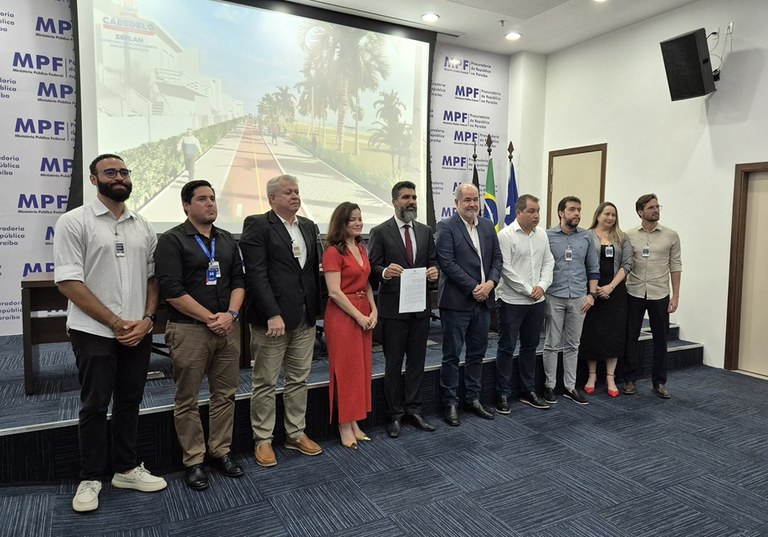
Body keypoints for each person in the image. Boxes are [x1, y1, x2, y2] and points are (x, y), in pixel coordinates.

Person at [54, 154, 167, 513]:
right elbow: (69, 283)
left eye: (123, 172)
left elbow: (152, 278)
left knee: (130, 401)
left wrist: (147, 319)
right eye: (110, 172)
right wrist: (116, 323)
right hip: (94, 331)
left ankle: (127, 468)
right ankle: (90, 477)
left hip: (138, 329)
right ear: (93, 179)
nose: (118, 177)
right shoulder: (74, 222)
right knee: (95, 404)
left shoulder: (142, 225)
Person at [154, 180, 245, 491]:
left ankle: (221, 451)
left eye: (213, 198)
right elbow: (172, 291)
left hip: (227, 329)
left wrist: (230, 315)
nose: (210, 204)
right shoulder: (172, 240)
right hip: (190, 330)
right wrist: (211, 318)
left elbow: (238, 281)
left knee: (225, 395)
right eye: (202, 199)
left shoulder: (227, 240)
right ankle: (194, 460)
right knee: (187, 400)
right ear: (186, 206)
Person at [240, 174, 323, 467]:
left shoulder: (309, 227)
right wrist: (272, 313)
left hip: (304, 317)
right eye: (288, 192)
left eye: (297, 191)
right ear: (272, 198)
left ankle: (295, 433)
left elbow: (311, 273)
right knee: (265, 381)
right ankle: (263, 440)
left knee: (299, 378)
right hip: (271, 320)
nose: (295, 196)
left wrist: (315, 309)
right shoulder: (258, 224)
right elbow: (256, 274)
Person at [368, 181, 439, 438]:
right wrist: (385, 272)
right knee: (393, 364)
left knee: (417, 363)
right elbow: (372, 267)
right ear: (395, 201)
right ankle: (394, 415)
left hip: (420, 309)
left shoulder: (425, 230)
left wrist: (434, 273)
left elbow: (433, 262)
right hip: (393, 311)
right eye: (406, 197)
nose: (412, 201)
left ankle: (414, 409)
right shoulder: (380, 231)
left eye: (414, 197)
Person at [435, 183, 503, 426]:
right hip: (457, 302)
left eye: (476, 199)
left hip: (484, 302)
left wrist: (491, 283)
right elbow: (447, 262)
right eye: (467, 200)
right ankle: (450, 403)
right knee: (451, 355)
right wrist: (474, 287)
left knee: (477, 353)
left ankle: (472, 398)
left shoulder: (486, 225)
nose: (473, 204)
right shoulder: (446, 227)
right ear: (457, 203)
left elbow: (497, 258)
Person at [323, 202, 378, 448]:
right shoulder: (333, 252)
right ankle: (344, 423)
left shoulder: (362, 247)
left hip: (364, 312)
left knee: (360, 370)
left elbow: (365, 283)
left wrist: (374, 309)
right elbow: (334, 292)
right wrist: (358, 315)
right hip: (343, 316)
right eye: (352, 220)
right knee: (345, 371)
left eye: (359, 218)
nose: (358, 223)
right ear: (341, 223)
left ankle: (355, 420)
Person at [495, 194, 554, 412]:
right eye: (531, 211)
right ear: (518, 212)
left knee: (530, 347)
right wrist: (530, 290)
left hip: (536, 300)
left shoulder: (542, 235)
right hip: (512, 300)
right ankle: (503, 392)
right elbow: (506, 269)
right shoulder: (505, 235)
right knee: (507, 347)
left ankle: (527, 390)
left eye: (538, 211)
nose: (536, 215)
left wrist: (543, 285)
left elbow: (549, 262)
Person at [623, 194, 682, 398]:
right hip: (634, 292)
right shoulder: (629, 236)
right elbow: (624, 266)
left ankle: (659, 382)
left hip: (660, 294)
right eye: (651, 207)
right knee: (630, 337)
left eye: (658, 207)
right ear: (640, 211)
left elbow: (676, 266)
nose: (656, 210)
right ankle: (629, 380)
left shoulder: (671, 235)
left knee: (661, 340)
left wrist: (675, 297)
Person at [542, 196, 599, 406]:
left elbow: (593, 268)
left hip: (579, 297)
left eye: (579, 210)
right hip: (554, 296)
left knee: (573, 345)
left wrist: (591, 295)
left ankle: (570, 387)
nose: (577, 214)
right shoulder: (547, 236)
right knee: (551, 343)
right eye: (572, 210)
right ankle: (549, 385)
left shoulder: (585, 237)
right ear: (561, 213)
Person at [577, 202, 633, 398]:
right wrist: (595, 289)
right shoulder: (586, 235)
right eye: (607, 214)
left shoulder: (622, 237)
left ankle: (610, 377)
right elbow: (581, 261)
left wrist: (610, 286)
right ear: (598, 215)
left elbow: (627, 264)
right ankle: (591, 376)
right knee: (592, 333)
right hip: (592, 289)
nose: (610, 218)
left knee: (614, 334)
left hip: (615, 291)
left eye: (614, 215)